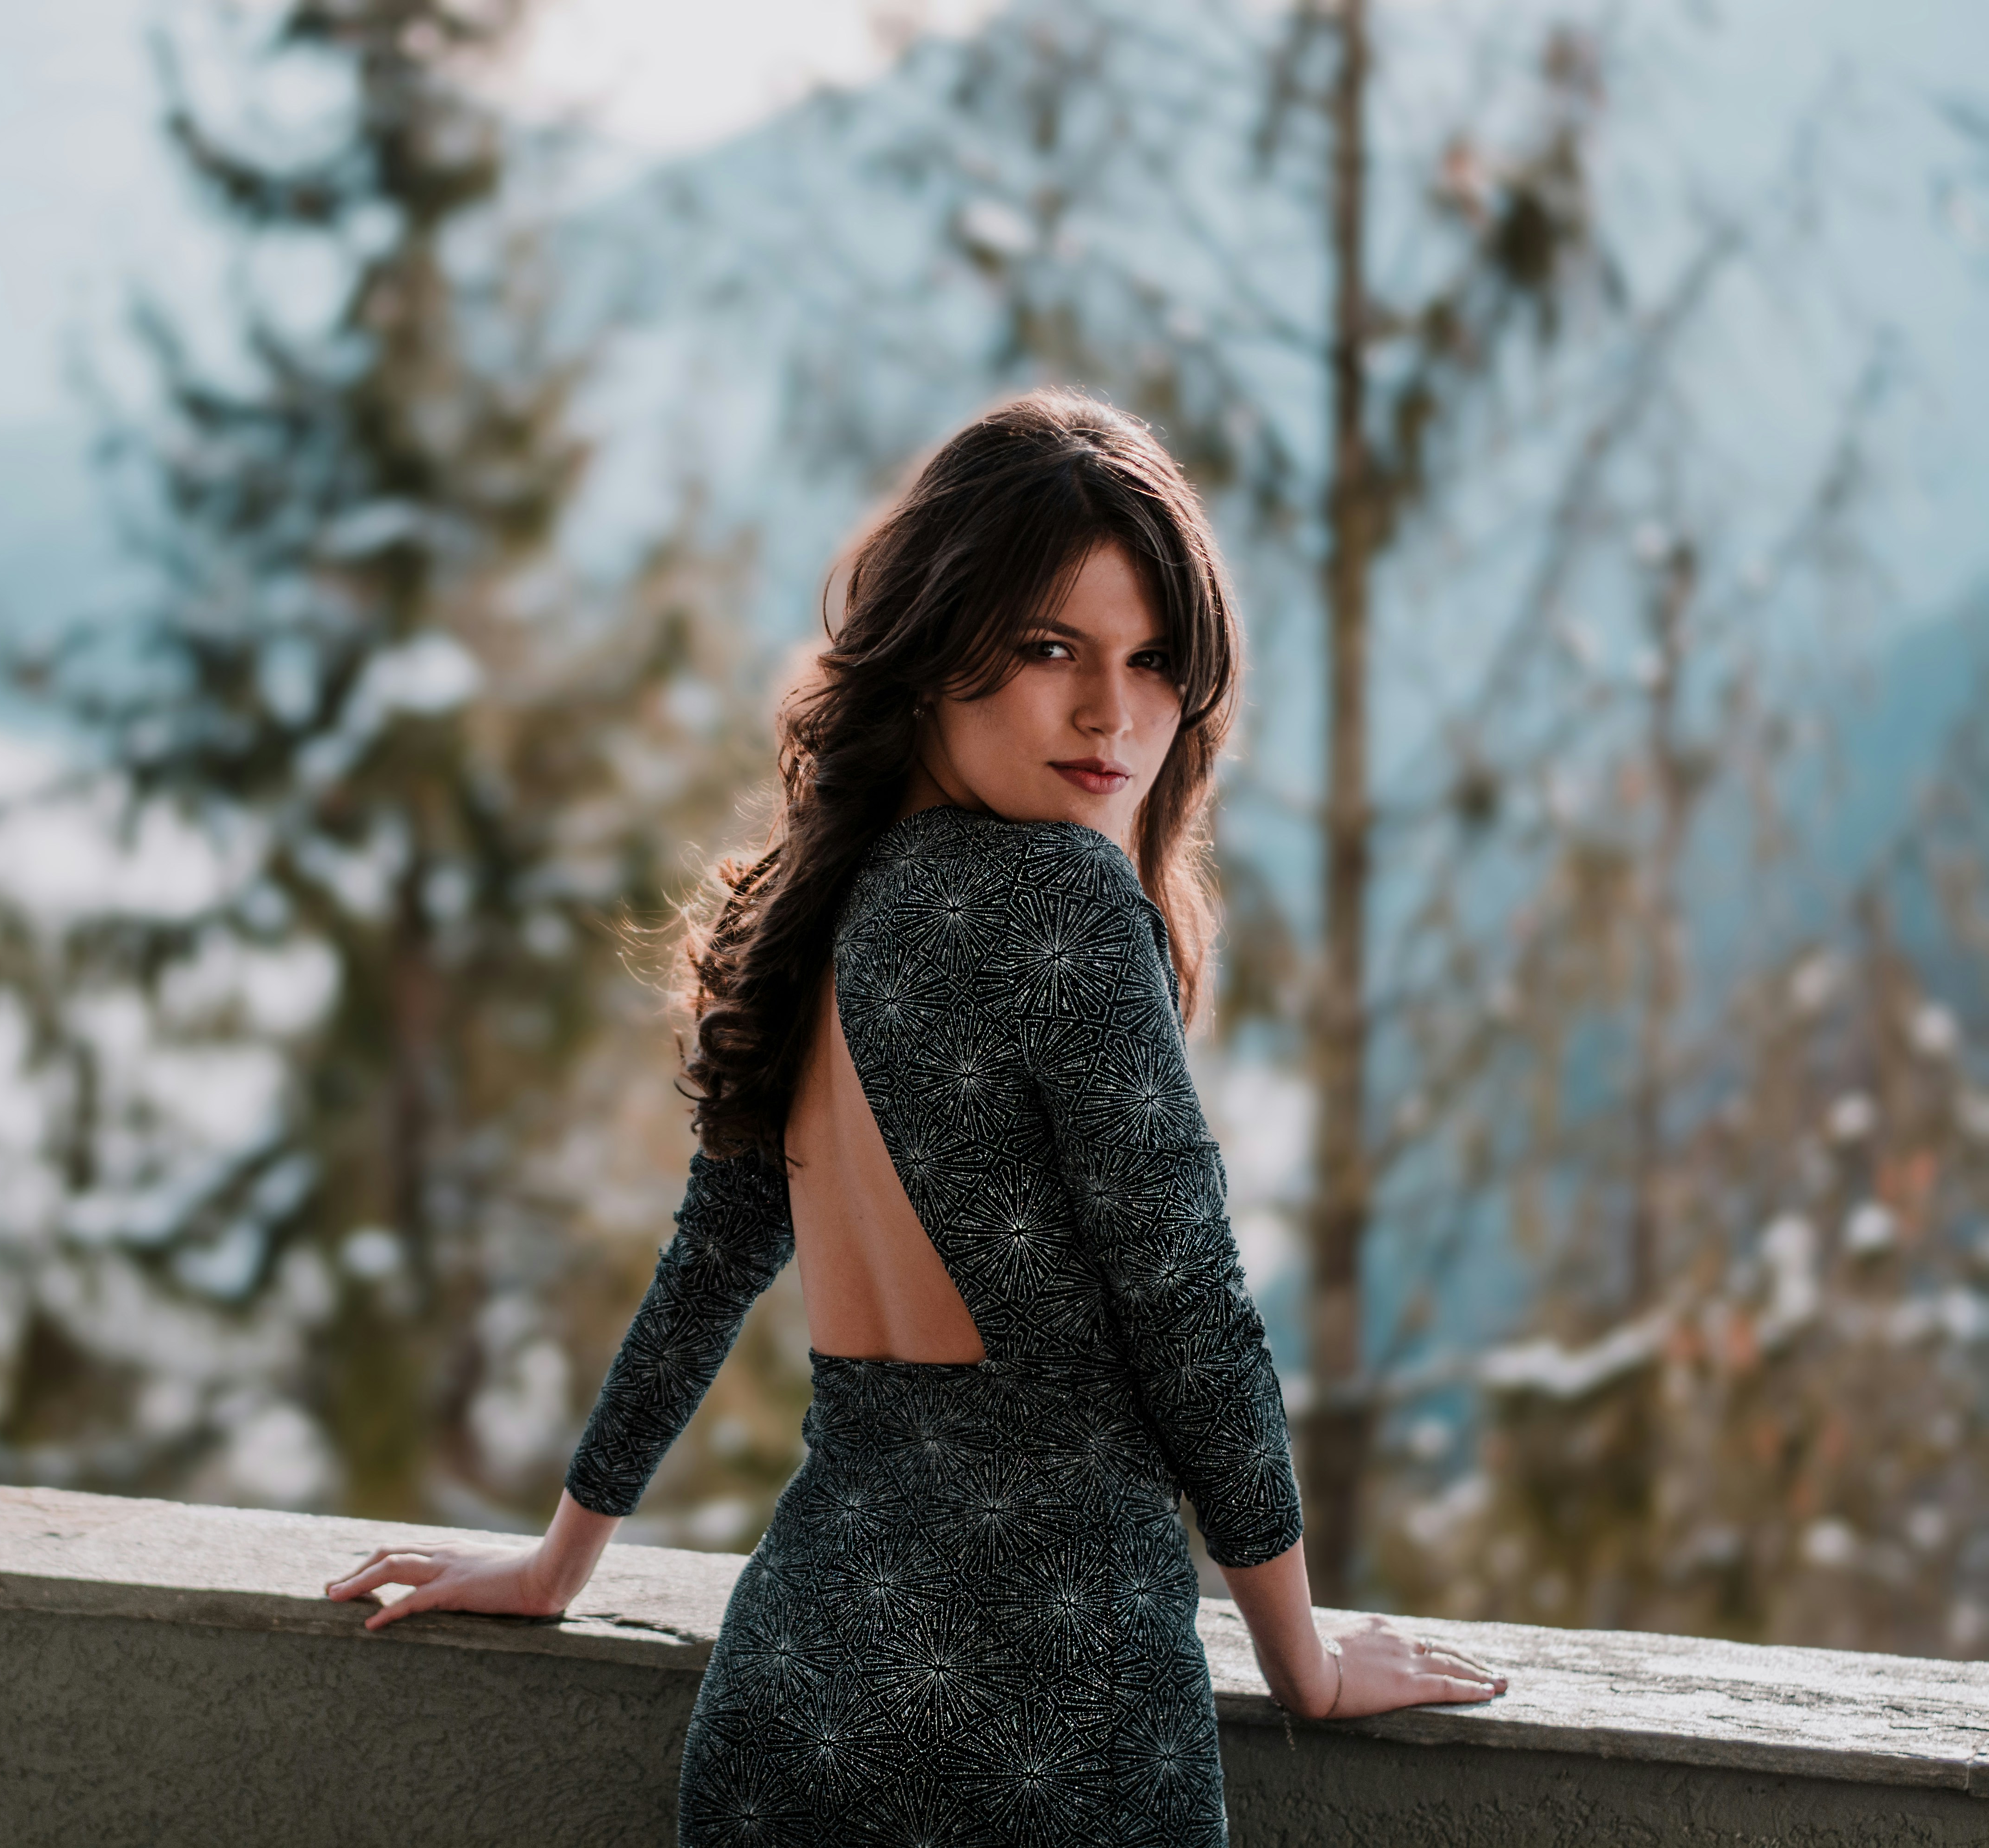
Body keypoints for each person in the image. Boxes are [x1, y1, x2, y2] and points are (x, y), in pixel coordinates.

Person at [325, 390, 1504, 1842]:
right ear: (939, 642)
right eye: (1047, 649)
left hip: (795, 1689)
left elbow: (709, 1263)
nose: (1109, 713)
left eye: (1153, 664)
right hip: (1051, 1723)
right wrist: (1303, 1661)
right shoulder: (1061, 905)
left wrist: (564, 1558)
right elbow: (1191, 1312)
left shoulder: (822, 913)